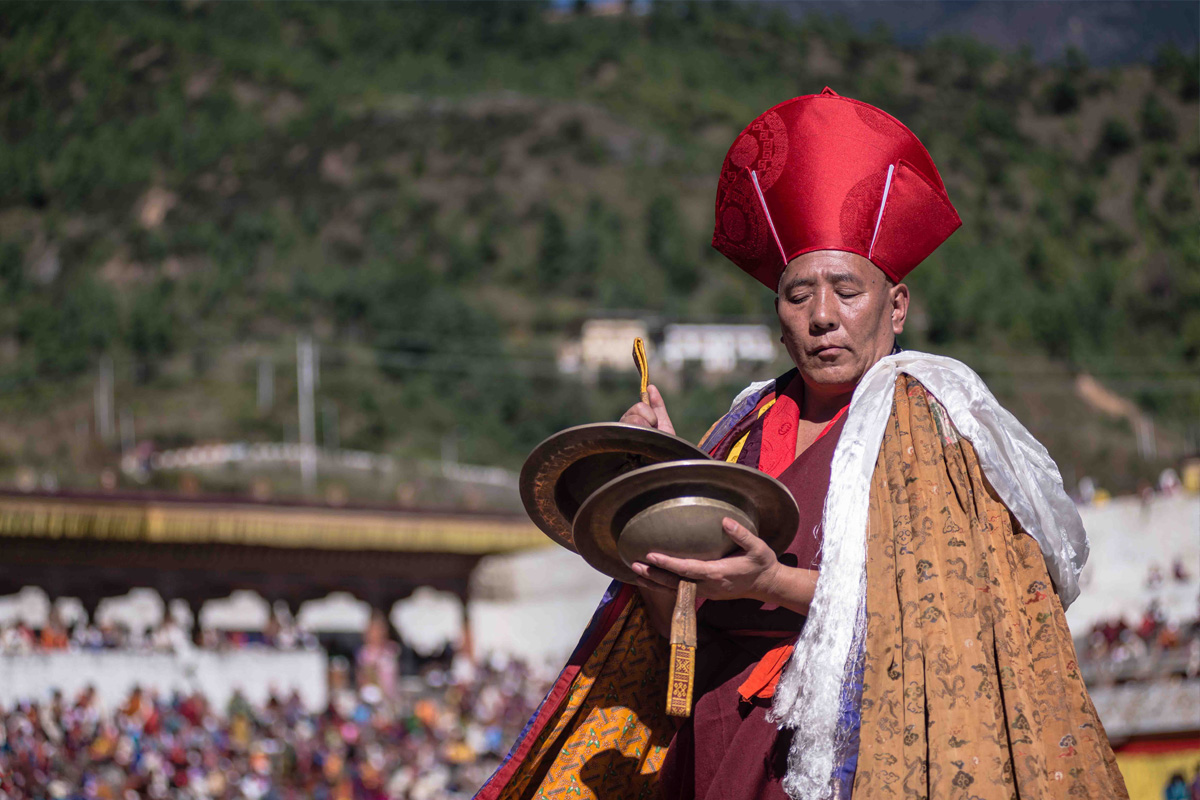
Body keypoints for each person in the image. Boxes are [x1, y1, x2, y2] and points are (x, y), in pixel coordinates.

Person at [476, 89, 1127, 800]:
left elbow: (965, 618)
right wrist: (656, 482)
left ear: (896, 303)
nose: (822, 317)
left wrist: (771, 584)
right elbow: (679, 633)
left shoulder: (932, 424)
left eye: (846, 290)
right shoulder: (747, 426)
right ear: (776, 315)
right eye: (797, 294)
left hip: (867, 750)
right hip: (719, 744)